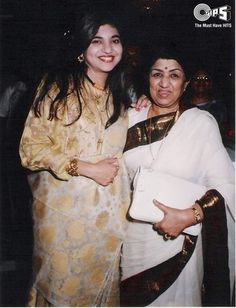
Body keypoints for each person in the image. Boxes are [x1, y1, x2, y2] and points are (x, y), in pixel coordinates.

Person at [19, 9, 132, 307]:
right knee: (62, 292)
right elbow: (30, 149)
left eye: (115, 40)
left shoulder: (121, 96)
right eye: (97, 41)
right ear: (82, 49)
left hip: (110, 222)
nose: (108, 49)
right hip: (63, 219)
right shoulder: (57, 87)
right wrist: (85, 168)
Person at [120, 46, 235, 306]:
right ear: (146, 78)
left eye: (174, 75)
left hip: (180, 243)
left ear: (185, 84)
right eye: (157, 74)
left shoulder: (201, 124)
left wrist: (189, 216)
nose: (164, 83)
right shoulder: (128, 118)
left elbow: (227, 186)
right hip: (131, 241)